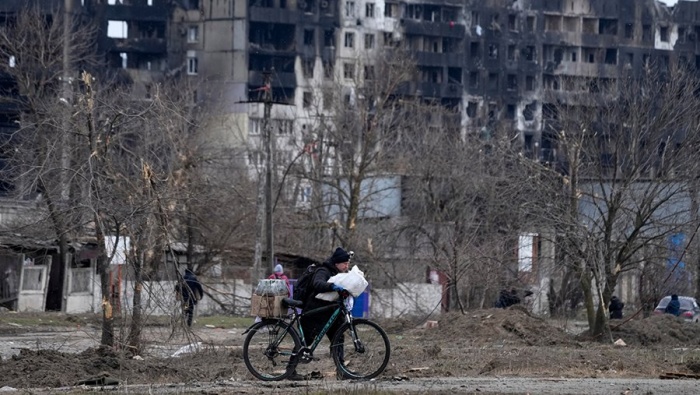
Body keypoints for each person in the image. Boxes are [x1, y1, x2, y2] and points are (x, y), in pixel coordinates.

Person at [292, 247, 351, 381]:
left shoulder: (339, 274)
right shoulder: (323, 270)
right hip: (315, 312)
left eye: (348, 263)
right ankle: (290, 370)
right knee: (305, 341)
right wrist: (332, 286)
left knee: (338, 338)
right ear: (337, 263)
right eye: (344, 263)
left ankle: (341, 371)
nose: (347, 266)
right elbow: (317, 283)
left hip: (330, 313)